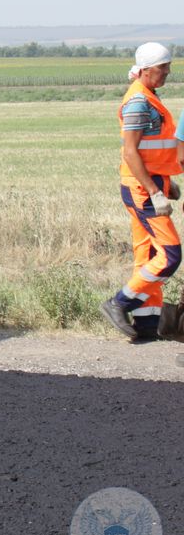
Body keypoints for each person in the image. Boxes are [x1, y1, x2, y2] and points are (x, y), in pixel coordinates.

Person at [101, 42, 182, 341]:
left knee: (148, 255)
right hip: (142, 190)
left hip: (152, 184)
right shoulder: (137, 101)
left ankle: (147, 325)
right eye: (163, 69)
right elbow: (132, 152)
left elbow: (152, 150)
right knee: (171, 255)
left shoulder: (148, 96)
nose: (167, 74)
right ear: (147, 70)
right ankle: (119, 302)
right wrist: (154, 190)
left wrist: (165, 182)